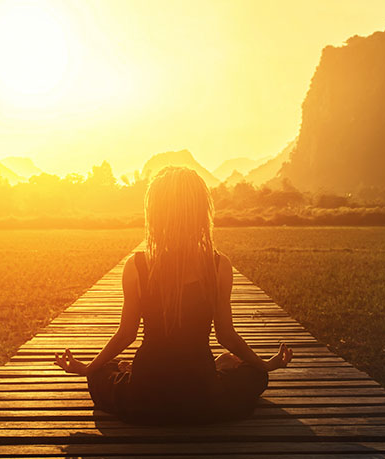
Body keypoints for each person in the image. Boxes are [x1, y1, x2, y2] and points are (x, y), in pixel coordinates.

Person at [55, 166, 292, 425]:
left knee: (102, 374)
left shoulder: (137, 267)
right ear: (202, 213)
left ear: (155, 214)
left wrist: (90, 367)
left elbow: (126, 335)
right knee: (255, 375)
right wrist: (266, 364)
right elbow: (226, 336)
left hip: (144, 396)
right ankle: (221, 366)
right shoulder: (218, 266)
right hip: (201, 395)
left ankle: (133, 370)